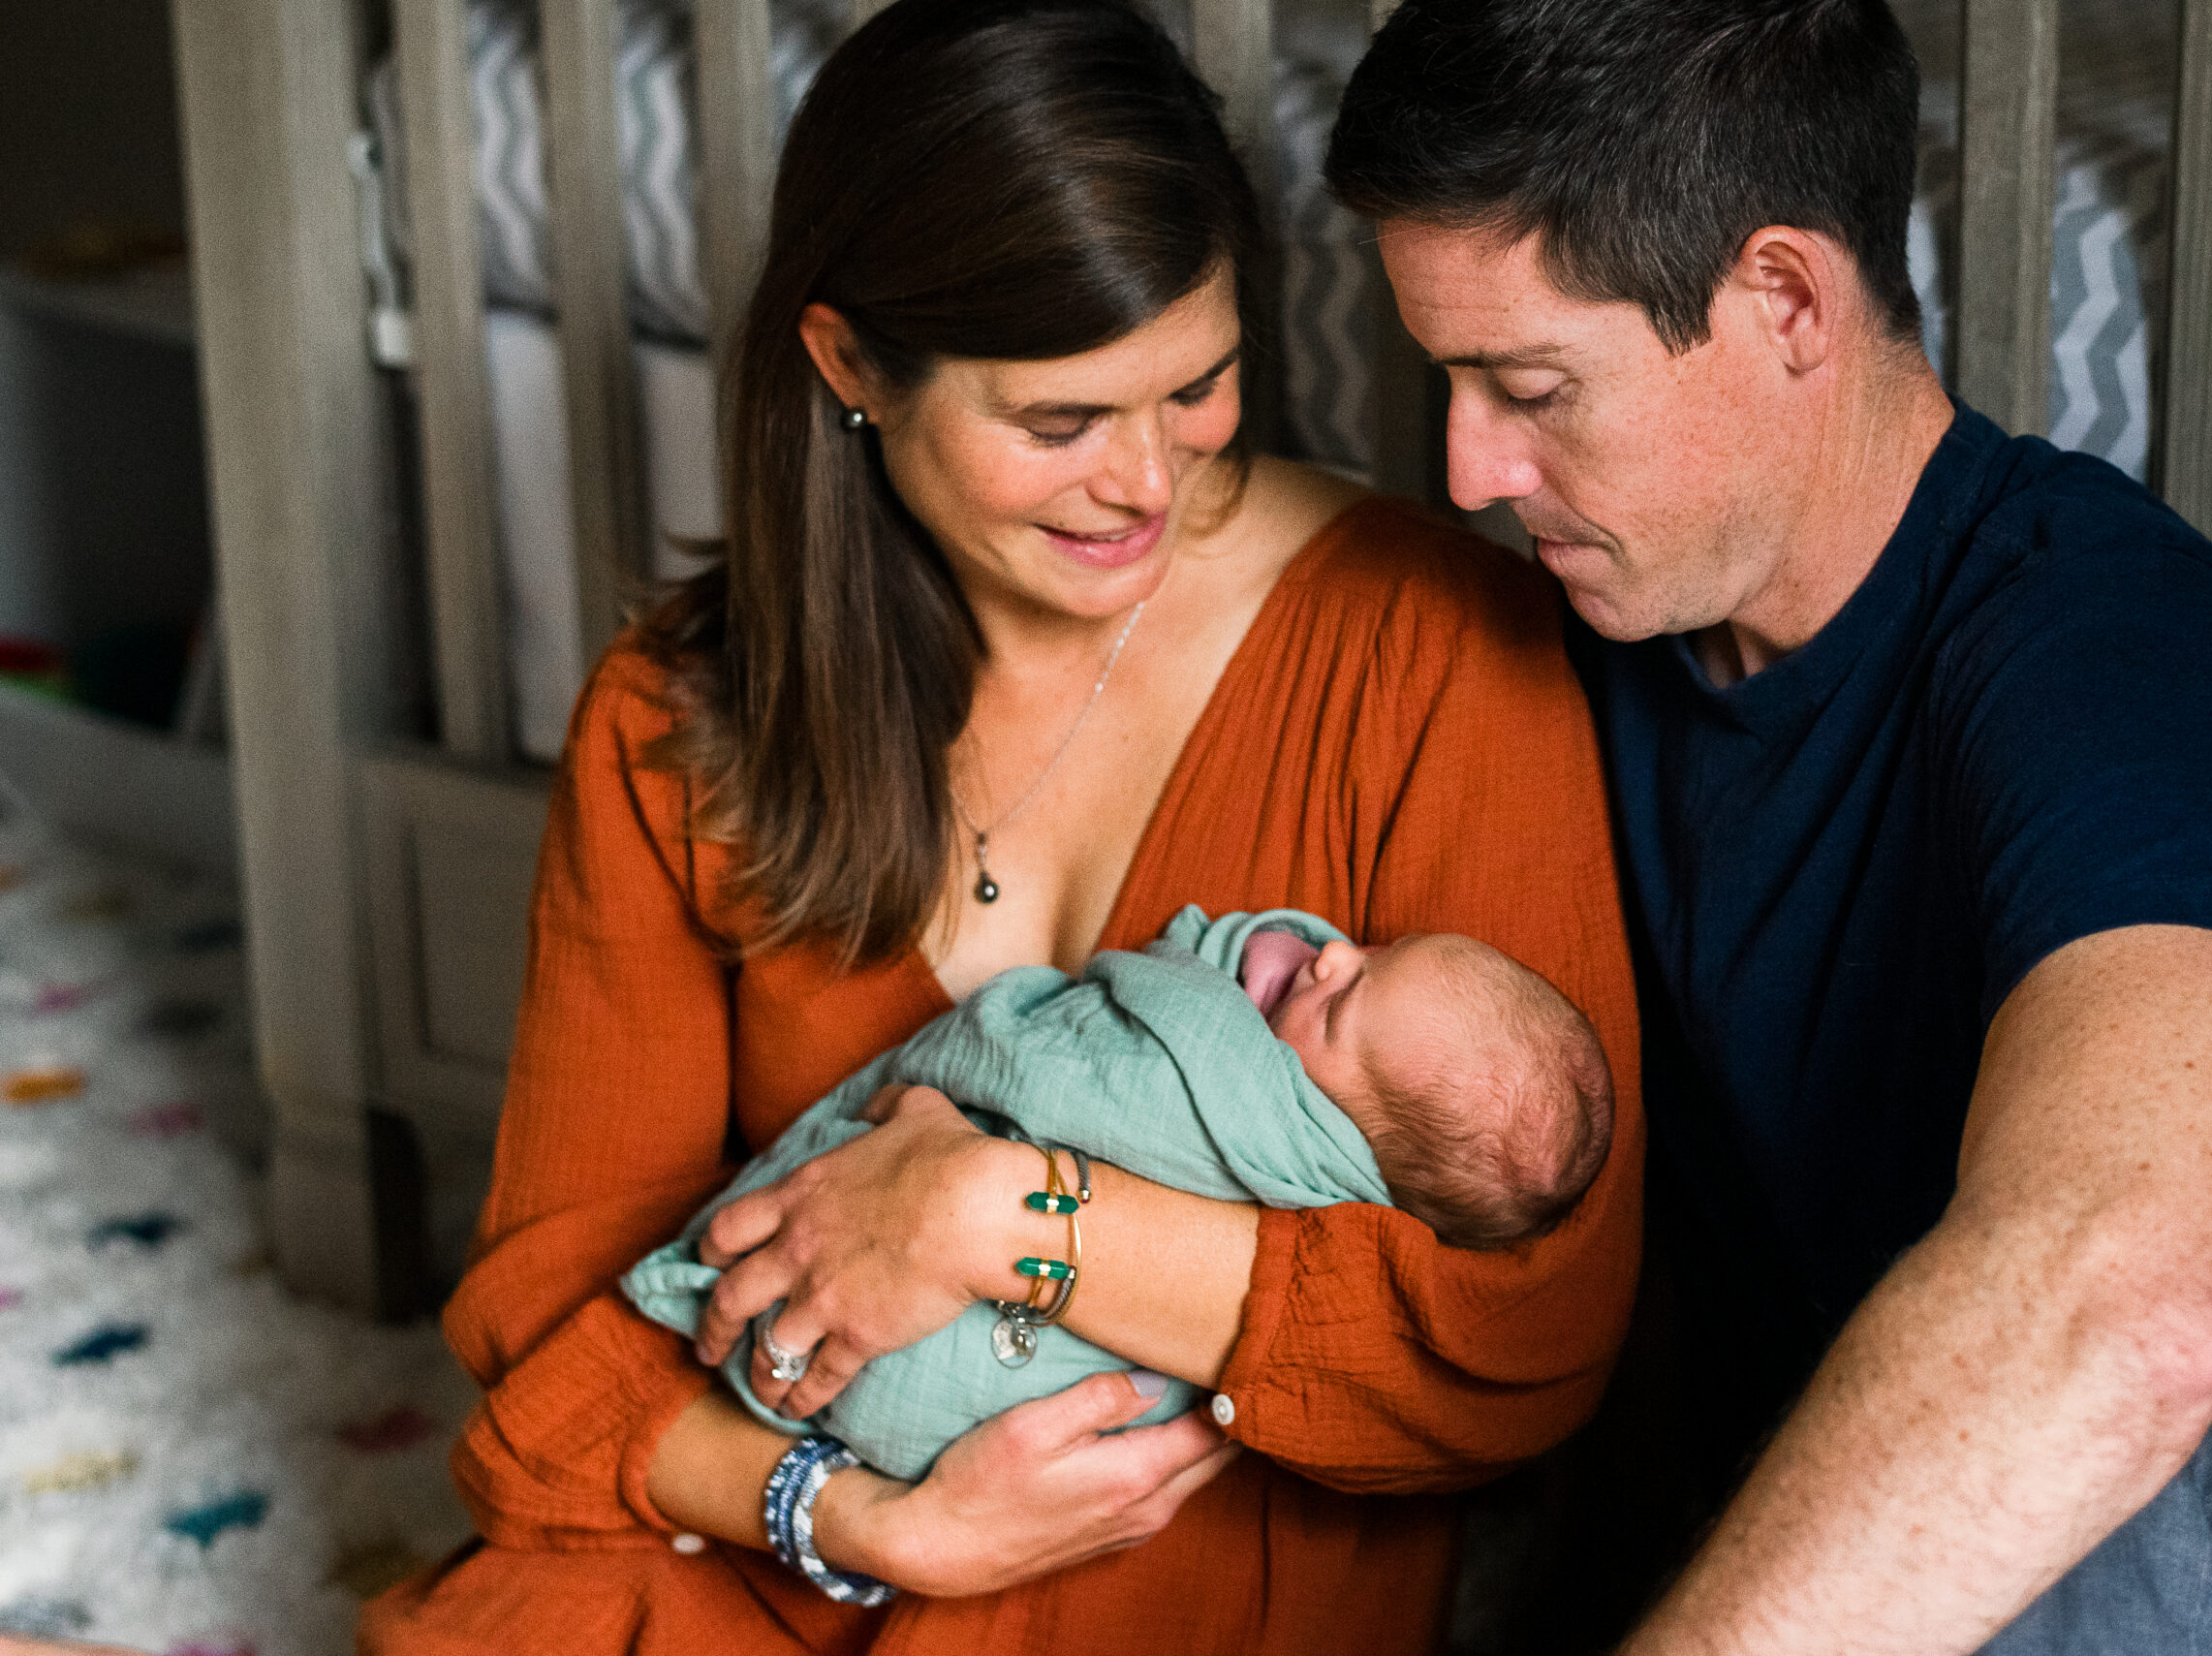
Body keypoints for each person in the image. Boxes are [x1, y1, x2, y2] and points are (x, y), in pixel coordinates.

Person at [361, 1, 1642, 1651]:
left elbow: (1523, 1330)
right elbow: (559, 1299)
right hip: (801, 1491)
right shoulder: (679, 714)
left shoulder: (1434, 646)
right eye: (1056, 423)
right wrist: (867, 1519)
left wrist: (992, 1215)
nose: (1146, 484)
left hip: (1165, 1510)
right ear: (848, 369)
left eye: (1199, 387)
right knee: (533, 1599)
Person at [1325, 0, 2212, 1651]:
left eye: (1528, 385)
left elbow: (2135, 1310)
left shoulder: (2104, 632)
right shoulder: (1582, 640)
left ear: (1785, 298)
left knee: (2065, 1430)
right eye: (1450, 380)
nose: (1468, 467)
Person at [621, 904, 1615, 1481]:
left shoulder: (1252, 1114)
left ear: (1338, 1137)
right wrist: (836, 1517)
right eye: (1380, 948)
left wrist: (984, 1204)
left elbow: (1049, 1067)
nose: (1337, 949)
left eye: (1348, 997)